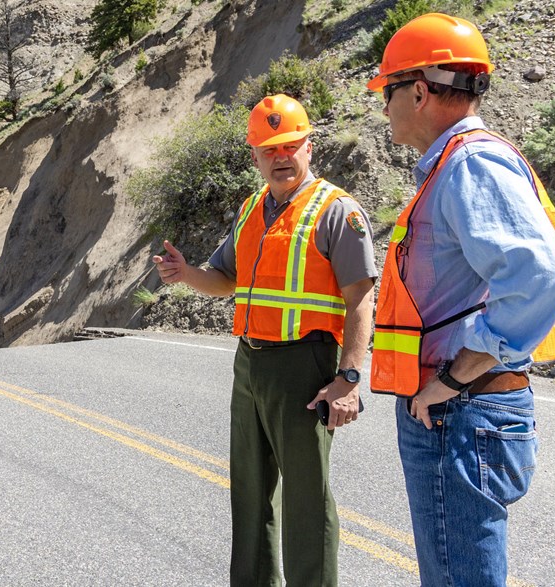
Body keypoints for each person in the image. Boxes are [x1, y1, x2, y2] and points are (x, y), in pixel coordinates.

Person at [367, 13, 555, 586]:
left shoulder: (469, 163)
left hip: (460, 410)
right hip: (460, 408)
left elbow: (542, 279)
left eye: (388, 91)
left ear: (418, 89)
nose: (384, 107)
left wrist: (455, 377)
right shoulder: (459, 163)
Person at [152, 94, 377, 587]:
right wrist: (186, 273)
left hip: (305, 365)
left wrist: (350, 378)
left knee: (306, 497)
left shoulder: (337, 210)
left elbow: (361, 297)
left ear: (309, 148)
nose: (281, 156)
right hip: (250, 364)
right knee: (249, 494)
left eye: (291, 145)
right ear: (254, 155)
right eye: (269, 148)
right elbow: (225, 279)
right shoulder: (252, 208)